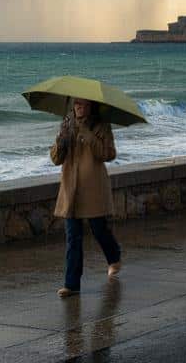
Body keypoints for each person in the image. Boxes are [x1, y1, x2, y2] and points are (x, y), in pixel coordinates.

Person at [51, 98, 122, 298]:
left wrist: (89, 136)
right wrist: (61, 142)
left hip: (92, 188)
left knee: (99, 229)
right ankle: (71, 284)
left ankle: (114, 256)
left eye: (83, 104)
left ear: (91, 106)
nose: (79, 107)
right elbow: (55, 159)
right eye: (76, 104)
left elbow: (108, 154)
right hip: (71, 189)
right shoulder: (66, 125)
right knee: (73, 237)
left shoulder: (102, 126)